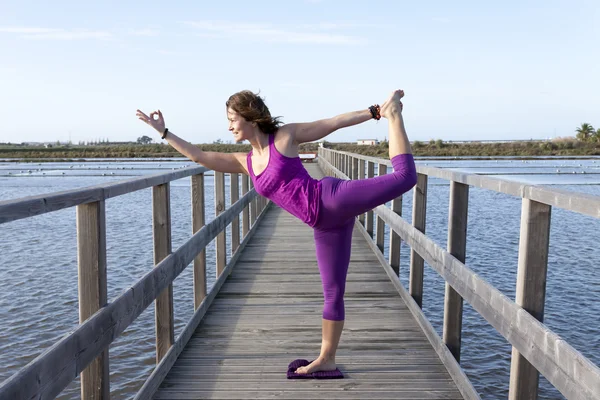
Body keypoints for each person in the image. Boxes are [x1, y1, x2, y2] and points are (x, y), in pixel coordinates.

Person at [136, 89, 417, 376]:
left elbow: (332, 122)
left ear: (250, 118)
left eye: (233, 119)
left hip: (330, 198)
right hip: (324, 224)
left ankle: (393, 113)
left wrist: (374, 111)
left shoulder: (285, 137)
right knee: (333, 292)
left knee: (405, 177)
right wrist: (164, 132)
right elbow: (200, 156)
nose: (229, 126)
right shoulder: (244, 162)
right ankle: (327, 359)